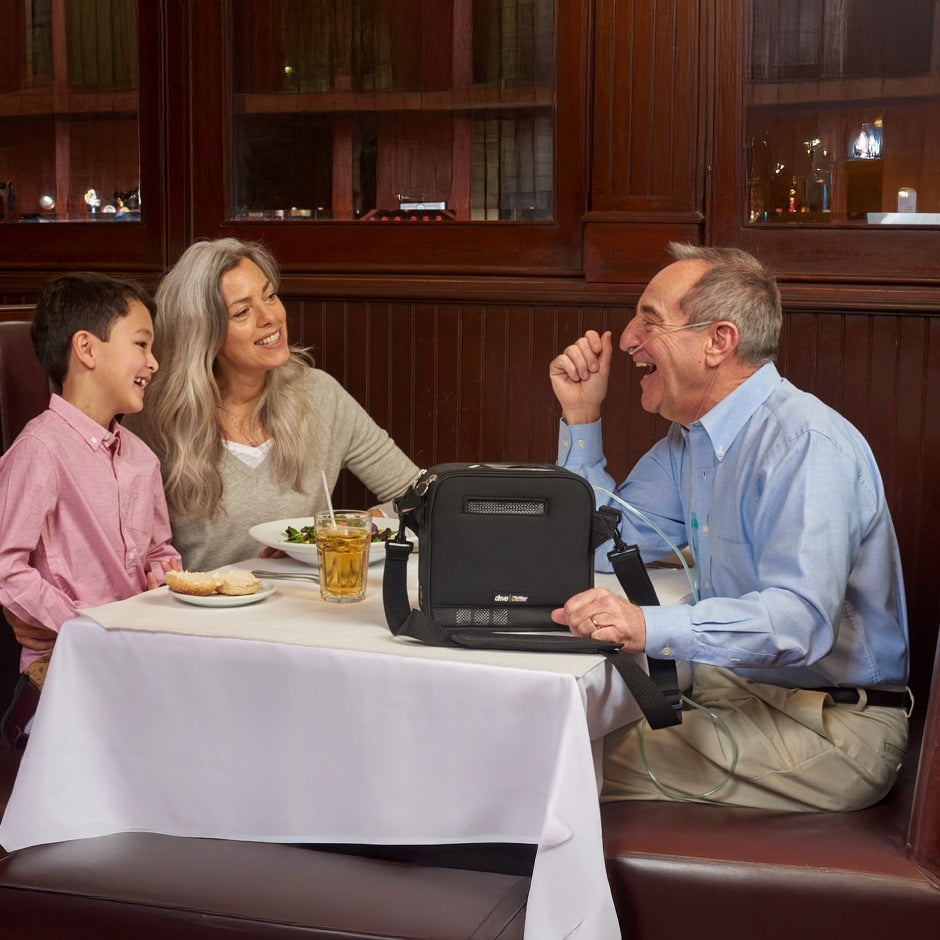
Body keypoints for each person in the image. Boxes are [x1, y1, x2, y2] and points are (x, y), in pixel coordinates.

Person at [548, 242, 910, 813]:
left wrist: (647, 624)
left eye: (649, 321)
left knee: (556, 757)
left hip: (834, 728)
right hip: (740, 694)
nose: (625, 341)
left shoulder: (806, 445)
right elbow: (594, 544)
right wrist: (581, 417)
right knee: (556, 736)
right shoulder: (690, 441)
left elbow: (798, 623)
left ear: (718, 341)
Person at [123, 237, 420, 571]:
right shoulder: (152, 420)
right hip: (205, 616)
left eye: (270, 296)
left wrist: (350, 529)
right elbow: (129, 551)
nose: (270, 317)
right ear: (204, 334)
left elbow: (423, 498)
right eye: (242, 312)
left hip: (309, 609)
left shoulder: (319, 393)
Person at [0, 273, 181, 741]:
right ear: (87, 348)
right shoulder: (39, 449)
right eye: (141, 344)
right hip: (65, 670)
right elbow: (5, 565)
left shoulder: (143, 458)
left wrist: (165, 578)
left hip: (136, 659)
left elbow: (160, 552)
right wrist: (78, 625)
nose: (153, 362)